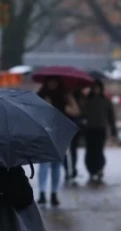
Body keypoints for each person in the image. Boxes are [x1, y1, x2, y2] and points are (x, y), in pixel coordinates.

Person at [37, 77, 80, 205]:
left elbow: (76, 112)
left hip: (60, 135)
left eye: (55, 81)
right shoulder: (41, 95)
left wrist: (70, 97)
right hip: (45, 133)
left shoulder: (63, 97)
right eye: (50, 80)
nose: (52, 83)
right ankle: (42, 193)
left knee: (56, 165)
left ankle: (54, 193)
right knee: (44, 165)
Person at [83, 79, 117, 183]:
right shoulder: (86, 101)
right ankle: (91, 170)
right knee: (90, 151)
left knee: (99, 150)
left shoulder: (106, 101)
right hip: (89, 129)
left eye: (98, 87)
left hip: (101, 129)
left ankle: (99, 168)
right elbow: (82, 114)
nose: (96, 89)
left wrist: (113, 130)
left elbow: (111, 117)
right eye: (94, 87)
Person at [66, 89, 88, 181]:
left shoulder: (80, 97)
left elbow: (79, 112)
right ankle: (67, 170)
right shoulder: (64, 96)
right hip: (65, 126)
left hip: (75, 126)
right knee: (65, 151)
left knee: (73, 149)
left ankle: (73, 168)